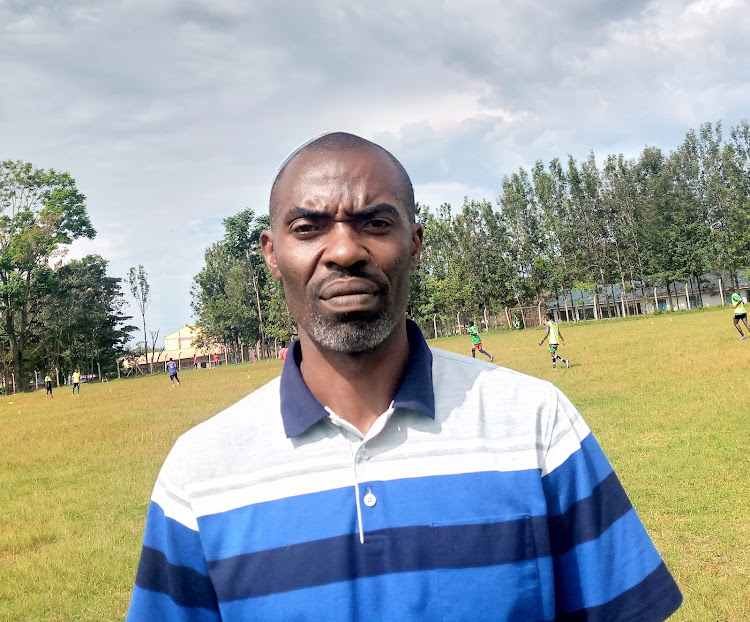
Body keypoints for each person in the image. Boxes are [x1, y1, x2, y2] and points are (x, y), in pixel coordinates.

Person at [127, 133, 681, 621]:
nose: (344, 250)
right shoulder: (198, 474)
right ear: (273, 254)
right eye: (307, 227)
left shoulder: (537, 425)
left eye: (375, 222)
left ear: (414, 244)